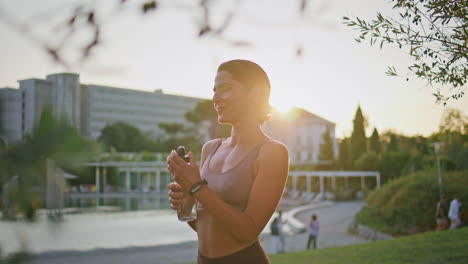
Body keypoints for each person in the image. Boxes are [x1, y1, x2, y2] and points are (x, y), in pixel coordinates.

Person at [167, 59, 289, 264]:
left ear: (255, 93)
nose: (215, 98)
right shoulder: (210, 148)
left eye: (225, 88)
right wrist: (187, 199)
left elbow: (247, 232)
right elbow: (207, 224)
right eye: (214, 90)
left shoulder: (272, 152)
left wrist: (197, 187)